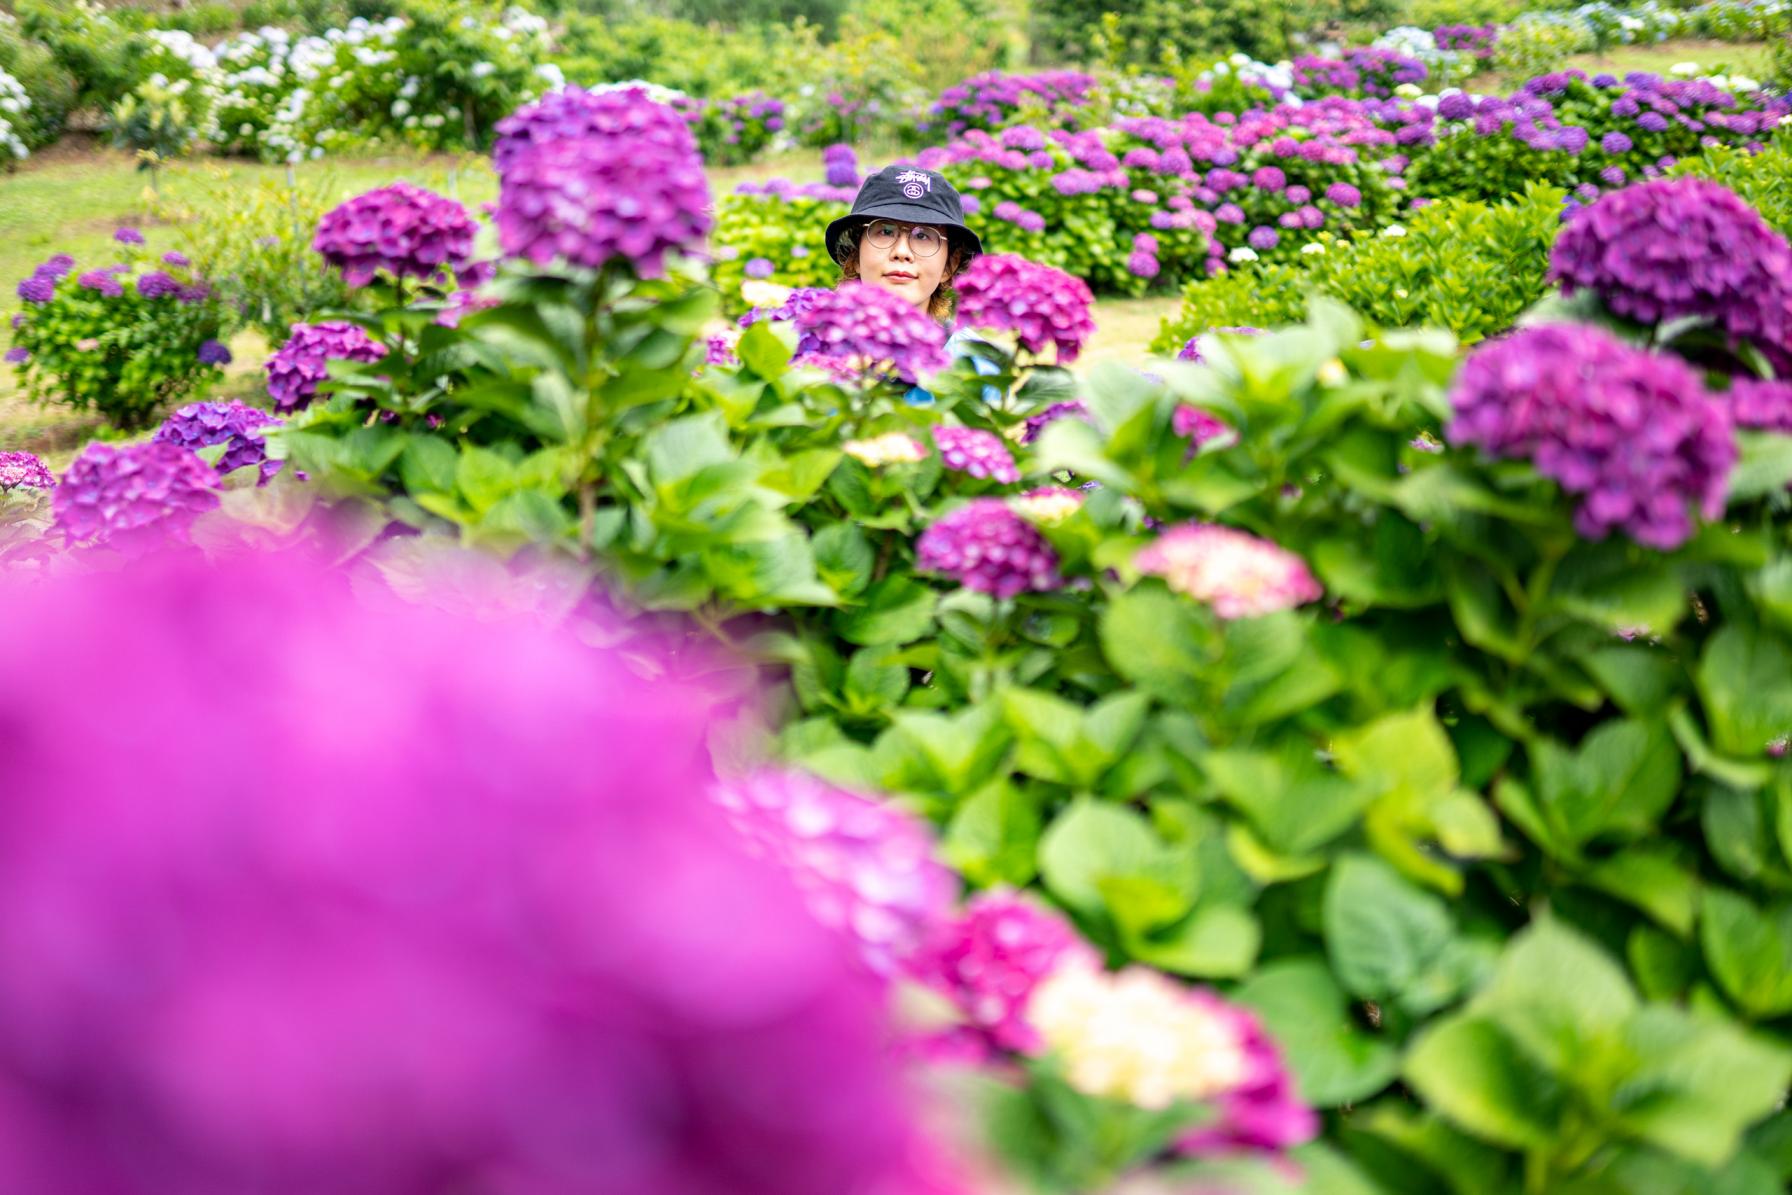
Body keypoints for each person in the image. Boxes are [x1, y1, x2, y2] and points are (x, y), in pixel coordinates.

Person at [825, 164, 1000, 402]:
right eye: (885, 231)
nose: (901, 252)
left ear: (949, 265)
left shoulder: (979, 367)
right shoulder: (815, 351)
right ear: (855, 256)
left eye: (923, 235)